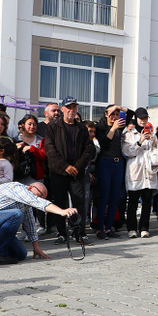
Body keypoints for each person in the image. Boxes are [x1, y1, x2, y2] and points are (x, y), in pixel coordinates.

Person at [0, 182, 77, 264]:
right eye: (39, 195)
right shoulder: (18, 189)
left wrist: (36, 247)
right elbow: (38, 202)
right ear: (31, 187)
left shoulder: (25, 202)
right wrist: (62, 211)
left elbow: (30, 223)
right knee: (16, 214)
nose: (38, 198)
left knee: (21, 254)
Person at [45, 96, 95, 246]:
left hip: (77, 173)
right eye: (69, 107)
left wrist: (77, 167)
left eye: (74, 107)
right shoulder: (53, 126)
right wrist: (65, 165)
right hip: (59, 172)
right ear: (62, 109)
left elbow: (88, 150)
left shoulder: (81, 128)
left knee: (80, 203)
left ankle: (80, 233)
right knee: (60, 203)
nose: (72, 110)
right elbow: (50, 149)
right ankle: (62, 233)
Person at [122, 107, 158, 239]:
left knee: (147, 201)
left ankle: (144, 228)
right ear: (136, 119)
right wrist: (139, 141)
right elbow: (128, 152)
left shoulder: (152, 133)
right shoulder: (129, 134)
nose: (143, 120)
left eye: (145, 118)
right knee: (133, 201)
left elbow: (157, 152)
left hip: (149, 172)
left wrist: (154, 143)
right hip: (135, 171)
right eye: (141, 118)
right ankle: (131, 228)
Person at [93, 105, 127, 240]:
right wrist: (113, 128)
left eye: (116, 114)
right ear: (106, 114)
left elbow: (131, 113)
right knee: (104, 197)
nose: (114, 116)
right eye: (111, 114)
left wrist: (119, 107)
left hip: (118, 163)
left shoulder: (121, 126)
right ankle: (100, 228)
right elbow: (104, 144)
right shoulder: (101, 127)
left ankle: (109, 228)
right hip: (105, 162)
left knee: (115, 198)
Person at [14, 114, 47, 186]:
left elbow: (43, 156)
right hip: (19, 174)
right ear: (23, 125)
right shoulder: (15, 139)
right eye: (29, 124)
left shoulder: (41, 140)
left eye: (34, 125)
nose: (32, 127)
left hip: (35, 175)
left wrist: (32, 149)